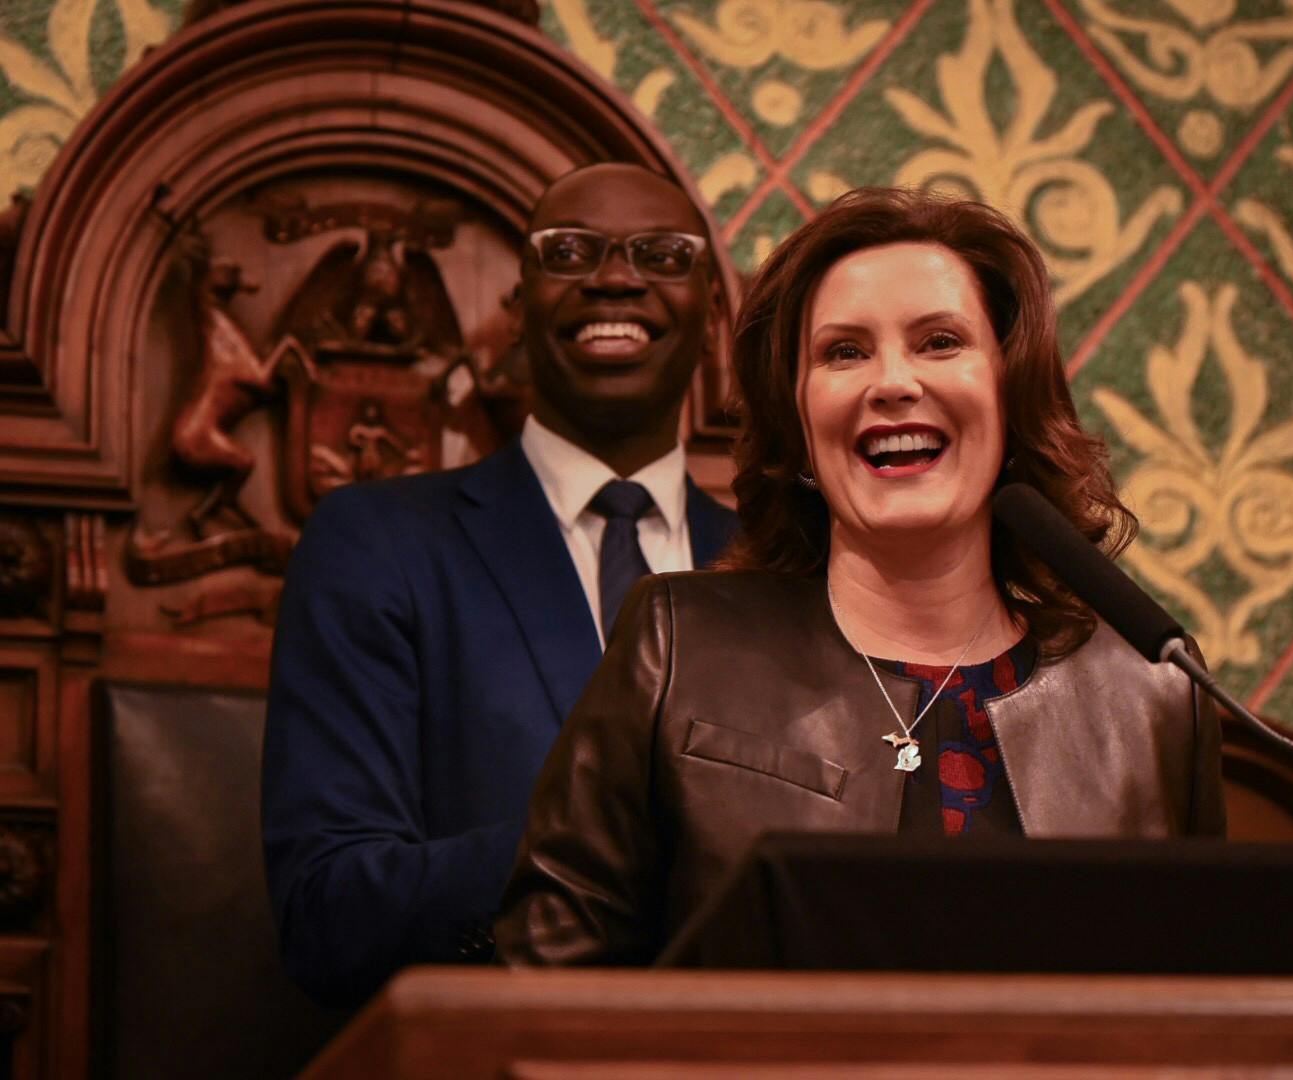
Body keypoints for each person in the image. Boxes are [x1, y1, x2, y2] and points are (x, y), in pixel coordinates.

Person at [494, 187, 1226, 966]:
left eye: (939, 342)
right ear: (797, 422)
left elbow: (1207, 1008)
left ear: (1008, 393)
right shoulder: (677, 645)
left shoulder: (1151, 692)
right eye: (844, 352)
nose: (892, 383)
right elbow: (547, 982)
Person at [262, 163, 740, 1005]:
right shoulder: (376, 544)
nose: (616, 277)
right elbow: (327, 912)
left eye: (664, 255)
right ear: (517, 311)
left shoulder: (780, 569)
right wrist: (603, 840)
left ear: (711, 319)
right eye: (569, 252)